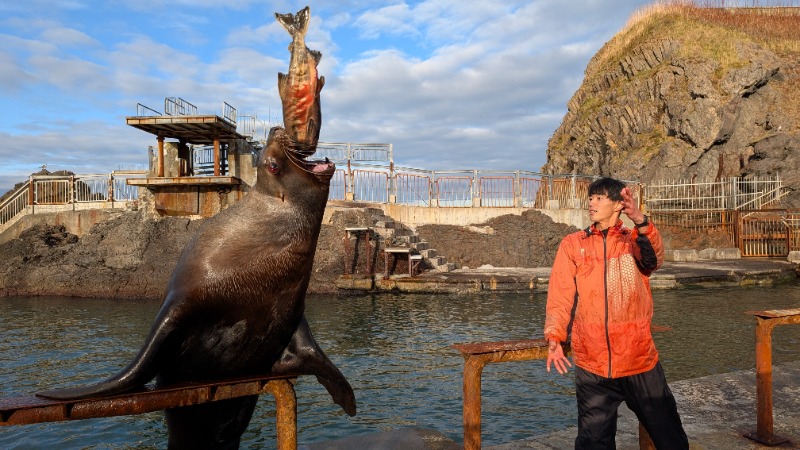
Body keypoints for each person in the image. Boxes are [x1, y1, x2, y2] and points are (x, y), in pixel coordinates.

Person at [544, 177, 688, 450]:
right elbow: (560, 295)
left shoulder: (632, 240)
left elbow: (654, 260)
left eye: (599, 198)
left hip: (638, 358)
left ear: (618, 205)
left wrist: (641, 222)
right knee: (593, 442)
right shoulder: (573, 244)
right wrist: (554, 336)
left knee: (669, 435)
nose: (591, 203)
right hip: (592, 363)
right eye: (590, 198)